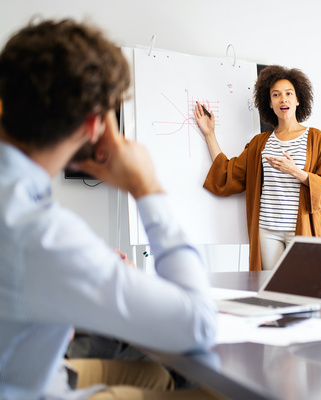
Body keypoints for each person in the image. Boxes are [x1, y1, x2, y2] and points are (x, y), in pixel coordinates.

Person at [0, 19, 218, 399]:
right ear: (93, 124)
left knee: (154, 375)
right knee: (215, 392)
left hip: (30, 367)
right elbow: (198, 325)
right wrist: (145, 186)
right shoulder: (40, 234)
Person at [195, 65, 321, 271]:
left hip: (300, 229)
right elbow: (229, 173)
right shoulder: (260, 142)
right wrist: (209, 134)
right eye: (276, 95)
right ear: (269, 103)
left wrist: (295, 171)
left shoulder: (315, 137)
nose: (283, 99)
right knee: (271, 290)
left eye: (288, 94)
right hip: (267, 230)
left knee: (301, 287)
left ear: (298, 100)